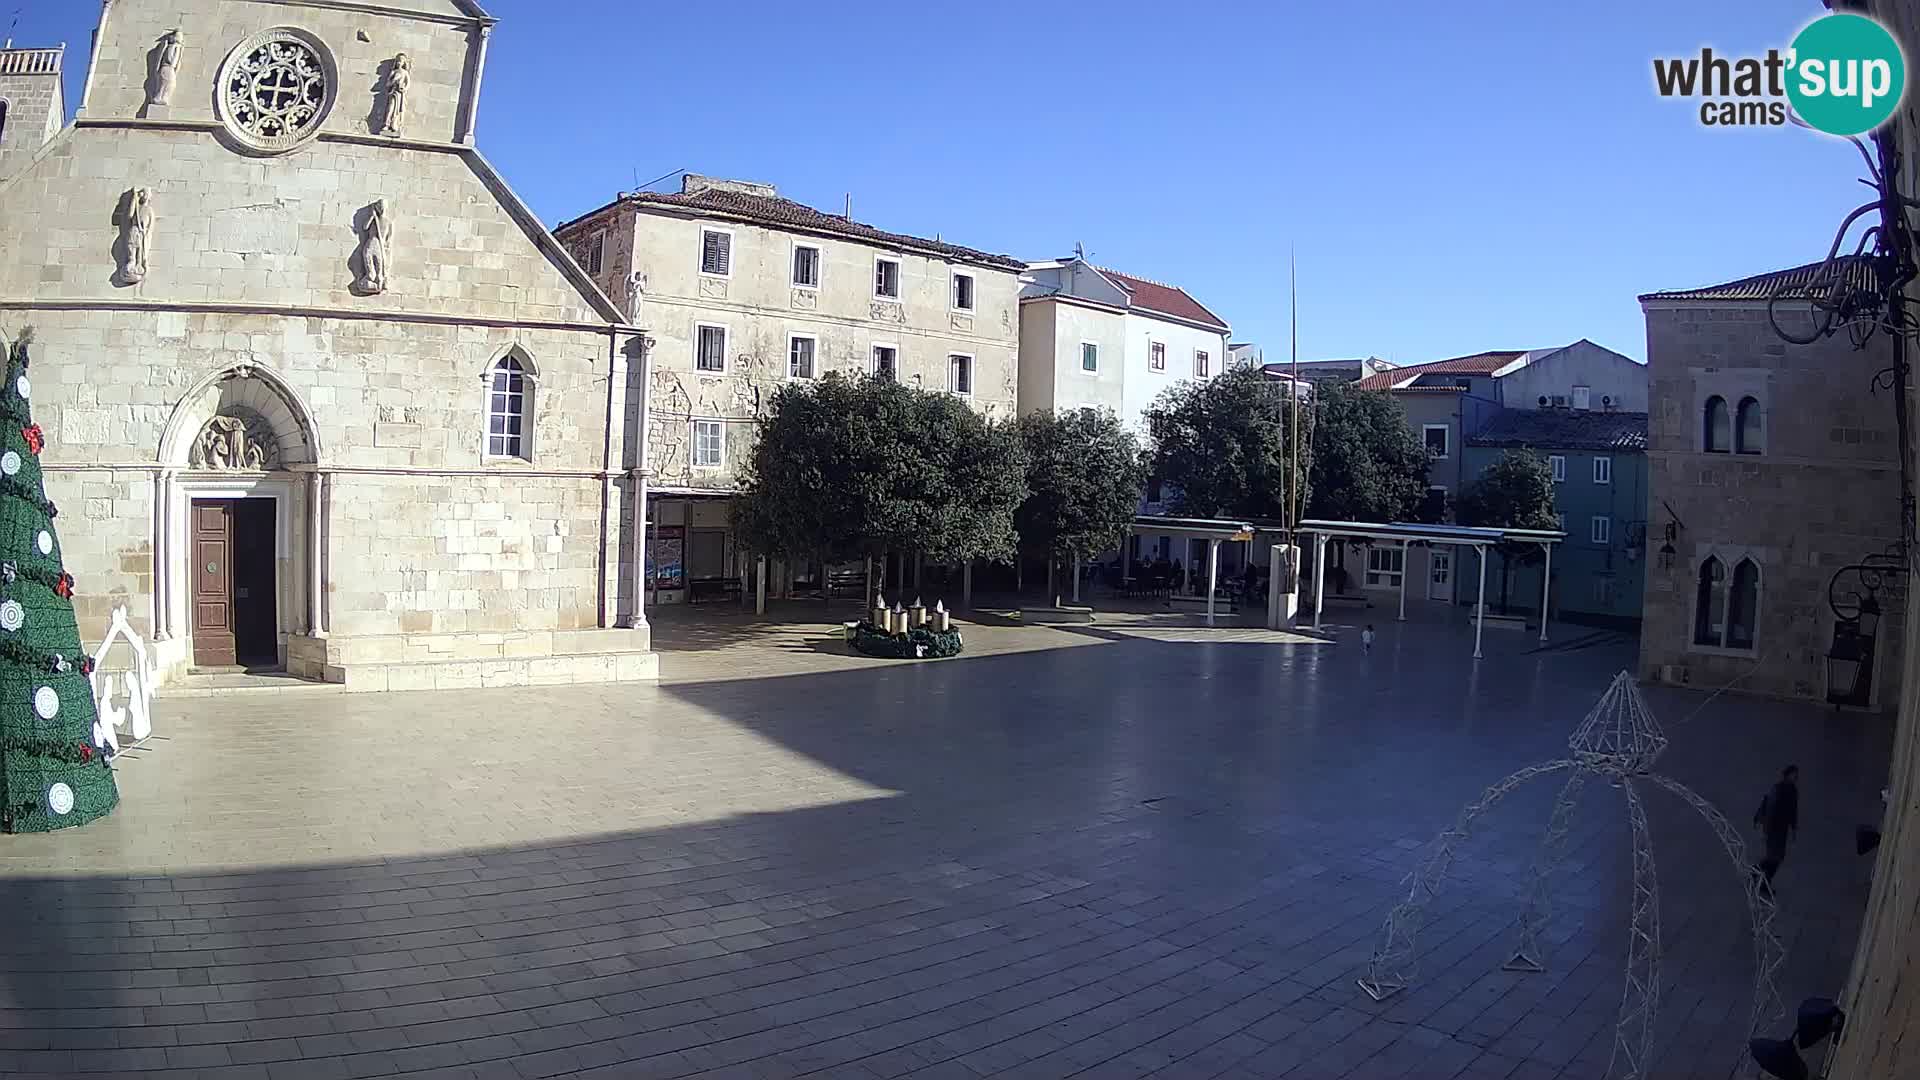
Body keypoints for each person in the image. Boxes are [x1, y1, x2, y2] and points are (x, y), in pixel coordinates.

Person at [1753, 765, 1800, 890]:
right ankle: (1759, 878)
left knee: (1777, 858)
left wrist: (1794, 829)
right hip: (1773, 828)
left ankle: (1758, 876)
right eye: (1794, 774)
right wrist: (1765, 831)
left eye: (1796, 775)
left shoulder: (1793, 791)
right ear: (1787, 774)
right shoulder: (1777, 789)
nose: (1796, 777)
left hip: (1782, 829)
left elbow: (1793, 811)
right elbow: (1769, 808)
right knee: (1774, 857)